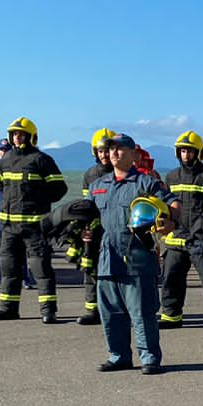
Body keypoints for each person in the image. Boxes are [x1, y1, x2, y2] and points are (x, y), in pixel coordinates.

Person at [88, 135, 171, 373]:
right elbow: (89, 218)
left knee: (142, 312)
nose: (114, 153)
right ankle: (118, 355)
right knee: (111, 313)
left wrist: (168, 222)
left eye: (120, 149)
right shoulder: (98, 186)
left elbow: (172, 205)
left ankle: (149, 358)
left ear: (134, 154)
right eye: (110, 149)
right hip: (107, 259)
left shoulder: (146, 183)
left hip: (137, 259)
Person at [0, 117, 67, 323]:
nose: (17, 138)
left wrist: (37, 202)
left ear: (32, 137)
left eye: (21, 134)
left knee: (41, 269)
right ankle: (8, 308)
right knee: (9, 270)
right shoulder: (5, 160)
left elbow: (60, 189)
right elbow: (1, 186)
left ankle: (48, 311)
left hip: (35, 227)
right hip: (9, 228)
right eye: (14, 134)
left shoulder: (42, 160)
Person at [159, 131, 203, 331]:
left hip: (202, 240)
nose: (186, 155)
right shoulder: (171, 176)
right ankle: (171, 316)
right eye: (182, 151)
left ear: (199, 152)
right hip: (176, 239)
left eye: (190, 151)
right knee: (170, 279)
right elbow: (164, 205)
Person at [73, 129, 115, 324]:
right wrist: (84, 229)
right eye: (100, 151)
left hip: (116, 230)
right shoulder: (90, 175)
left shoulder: (122, 172)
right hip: (95, 230)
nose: (104, 155)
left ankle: (117, 310)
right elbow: (85, 206)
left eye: (107, 150)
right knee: (91, 270)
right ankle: (92, 309)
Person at [0, 138, 33, 291]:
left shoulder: (19, 167)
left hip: (16, 212)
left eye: (6, 150)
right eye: (1, 149)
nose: (3, 152)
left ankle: (25, 278)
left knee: (20, 247)